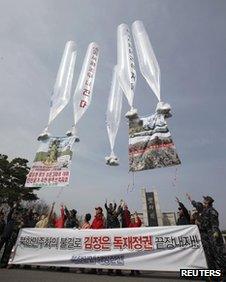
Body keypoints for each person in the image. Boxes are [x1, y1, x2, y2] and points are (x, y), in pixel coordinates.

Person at [187, 194, 226, 272]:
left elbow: (214, 224)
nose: (203, 203)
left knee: (217, 255)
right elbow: (197, 205)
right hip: (207, 236)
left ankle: (222, 273)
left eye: (204, 202)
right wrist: (191, 200)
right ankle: (213, 274)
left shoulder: (212, 211)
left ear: (207, 203)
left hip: (213, 236)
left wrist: (215, 233)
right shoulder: (204, 210)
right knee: (209, 256)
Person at [89, 207, 105, 274]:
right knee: (93, 254)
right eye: (96, 210)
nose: (96, 211)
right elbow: (92, 226)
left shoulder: (103, 218)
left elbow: (104, 227)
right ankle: (93, 269)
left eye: (97, 210)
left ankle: (100, 269)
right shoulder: (95, 219)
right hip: (94, 238)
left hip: (100, 238)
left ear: (100, 211)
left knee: (99, 255)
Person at [129, 212, 142, 276]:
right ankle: (132, 271)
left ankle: (137, 270)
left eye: (133, 219)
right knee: (132, 258)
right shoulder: (130, 225)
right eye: (131, 219)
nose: (132, 220)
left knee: (137, 258)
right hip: (131, 244)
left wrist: (137, 216)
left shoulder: (136, 224)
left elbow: (139, 223)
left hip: (136, 244)